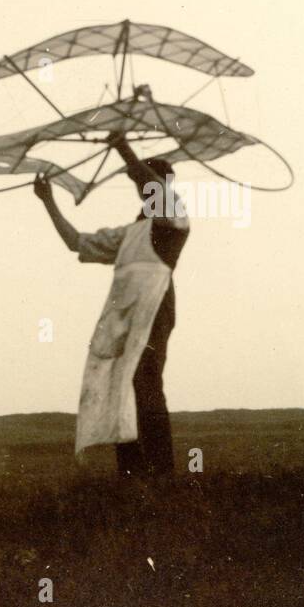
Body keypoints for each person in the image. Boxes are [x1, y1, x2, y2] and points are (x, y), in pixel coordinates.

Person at [34, 130, 189, 478]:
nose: (145, 187)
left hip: (154, 308)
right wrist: (48, 201)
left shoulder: (173, 216)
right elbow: (77, 243)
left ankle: (160, 473)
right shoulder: (132, 231)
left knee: (145, 380)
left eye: (151, 182)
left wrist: (123, 149)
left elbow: (154, 190)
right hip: (123, 313)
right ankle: (132, 474)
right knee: (122, 385)